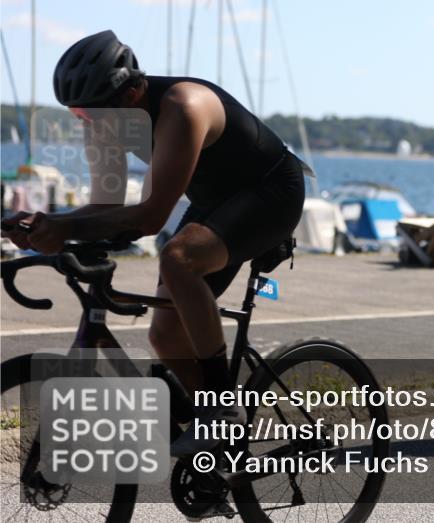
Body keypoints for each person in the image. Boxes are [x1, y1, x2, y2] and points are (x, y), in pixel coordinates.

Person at [1, 30, 305, 453]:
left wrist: (64, 229)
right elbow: (103, 205)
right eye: (78, 114)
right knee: (165, 336)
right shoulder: (103, 119)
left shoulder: (183, 107)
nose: (86, 124)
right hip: (216, 202)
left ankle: (221, 411)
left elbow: (150, 216)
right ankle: (218, 447)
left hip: (272, 193)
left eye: (91, 114)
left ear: (131, 94)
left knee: (178, 259)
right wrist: (43, 222)